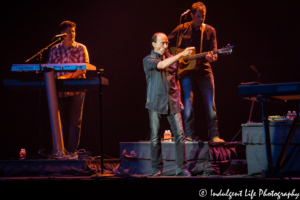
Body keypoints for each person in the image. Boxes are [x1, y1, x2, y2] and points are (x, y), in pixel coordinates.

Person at [168, 2, 224, 142]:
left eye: (203, 17)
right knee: (188, 103)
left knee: (210, 104)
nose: (201, 19)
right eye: (198, 16)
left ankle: (214, 135)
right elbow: (167, 41)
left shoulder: (210, 31)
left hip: (204, 70)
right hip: (187, 72)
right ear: (192, 15)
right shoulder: (182, 28)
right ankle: (188, 135)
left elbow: (214, 54)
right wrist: (175, 58)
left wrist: (212, 58)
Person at [143, 32, 195, 176]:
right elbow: (161, 65)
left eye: (167, 43)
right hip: (155, 102)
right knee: (155, 137)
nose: (166, 46)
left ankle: (181, 169)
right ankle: (156, 169)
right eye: (162, 43)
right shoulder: (148, 60)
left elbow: (176, 80)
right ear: (153, 44)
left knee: (179, 135)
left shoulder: (172, 59)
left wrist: (179, 100)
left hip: (172, 102)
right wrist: (182, 54)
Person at [47, 20, 89, 156]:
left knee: (75, 122)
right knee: (58, 122)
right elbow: (48, 69)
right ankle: (59, 152)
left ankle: (72, 152)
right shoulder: (54, 49)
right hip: (59, 92)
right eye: (69, 31)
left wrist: (66, 77)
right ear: (62, 34)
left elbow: (84, 68)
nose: (72, 34)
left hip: (77, 89)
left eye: (73, 31)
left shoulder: (81, 48)